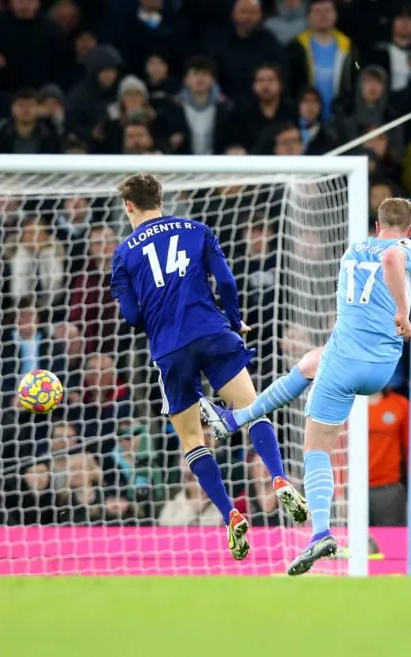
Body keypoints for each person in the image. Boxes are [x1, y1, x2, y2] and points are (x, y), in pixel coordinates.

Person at [202, 197, 411, 575]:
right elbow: (393, 268)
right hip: (381, 368)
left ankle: (321, 532)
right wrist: (405, 321)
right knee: (309, 362)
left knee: (317, 450)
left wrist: (402, 316)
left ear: (377, 226)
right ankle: (234, 420)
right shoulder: (409, 246)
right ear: (410, 229)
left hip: (345, 366)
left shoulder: (353, 251)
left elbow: (389, 261)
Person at [110, 173, 308, 561]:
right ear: (161, 199)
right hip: (213, 332)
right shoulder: (197, 229)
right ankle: (279, 476)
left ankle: (229, 514)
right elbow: (228, 282)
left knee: (191, 441)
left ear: (128, 206)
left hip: (170, 349)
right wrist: (233, 319)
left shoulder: (123, 254)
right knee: (253, 409)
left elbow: (131, 316)